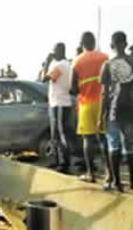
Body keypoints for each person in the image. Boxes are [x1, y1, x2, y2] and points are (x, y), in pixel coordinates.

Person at [73, 32, 111, 183]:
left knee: (88, 139)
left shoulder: (77, 61)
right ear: (94, 42)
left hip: (86, 104)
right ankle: (110, 174)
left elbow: (73, 88)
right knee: (104, 139)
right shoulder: (105, 58)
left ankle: (90, 174)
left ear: (82, 43)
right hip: (103, 103)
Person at [99, 31, 133, 191]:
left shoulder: (107, 64)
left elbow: (105, 93)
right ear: (125, 44)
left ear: (112, 45)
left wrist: (100, 116)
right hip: (130, 108)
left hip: (114, 108)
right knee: (130, 145)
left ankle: (117, 182)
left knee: (114, 145)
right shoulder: (132, 61)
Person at [41, 43, 74, 173]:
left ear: (60, 51)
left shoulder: (61, 66)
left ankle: (64, 163)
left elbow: (43, 79)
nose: (53, 54)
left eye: (54, 52)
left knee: (61, 135)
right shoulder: (65, 64)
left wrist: (47, 61)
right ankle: (57, 161)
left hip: (60, 103)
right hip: (57, 102)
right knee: (55, 135)